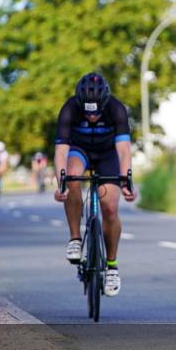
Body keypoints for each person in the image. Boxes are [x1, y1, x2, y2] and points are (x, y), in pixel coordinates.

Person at [53, 72, 137, 297]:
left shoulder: (116, 109)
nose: (92, 117)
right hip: (80, 151)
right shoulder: (69, 109)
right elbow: (61, 152)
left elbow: (123, 150)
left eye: (96, 112)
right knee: (71, 177)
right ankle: (75, 238)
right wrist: (60, 181)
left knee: (110, 207)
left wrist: (127, 179)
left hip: (107, 154)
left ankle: (111, 266)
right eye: (87, 112)